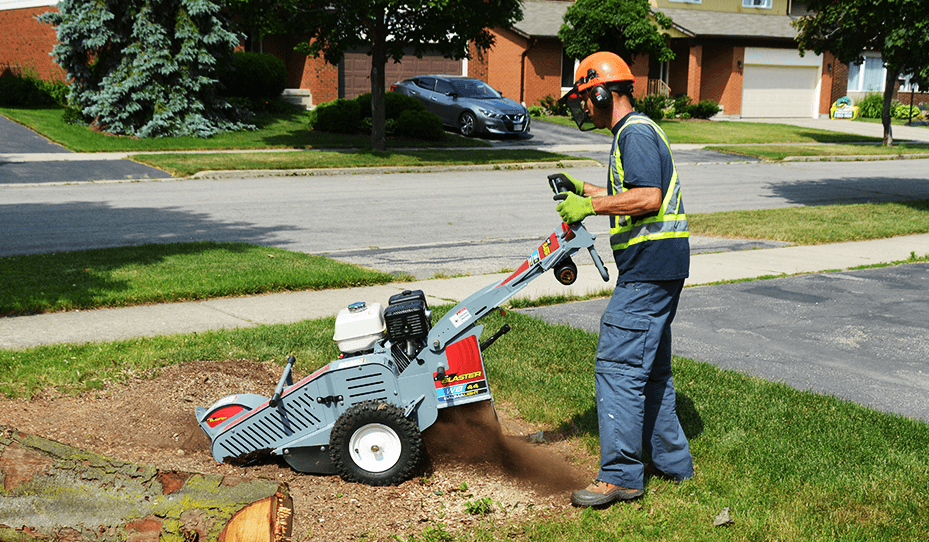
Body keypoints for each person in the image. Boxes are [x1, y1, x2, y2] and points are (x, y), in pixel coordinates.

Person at [551, 51, 694, 507]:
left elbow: (648, 197)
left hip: (649, 271)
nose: (581, 109)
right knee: (649, 371)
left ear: (599, 92)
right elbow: (628, 192)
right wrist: (584, 189)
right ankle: (672, 463)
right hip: (658, 267)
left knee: (617, 366)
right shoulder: (635, 133)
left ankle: (621, 476)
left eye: (582, 99)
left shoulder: (633, 133)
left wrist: (589, 208)